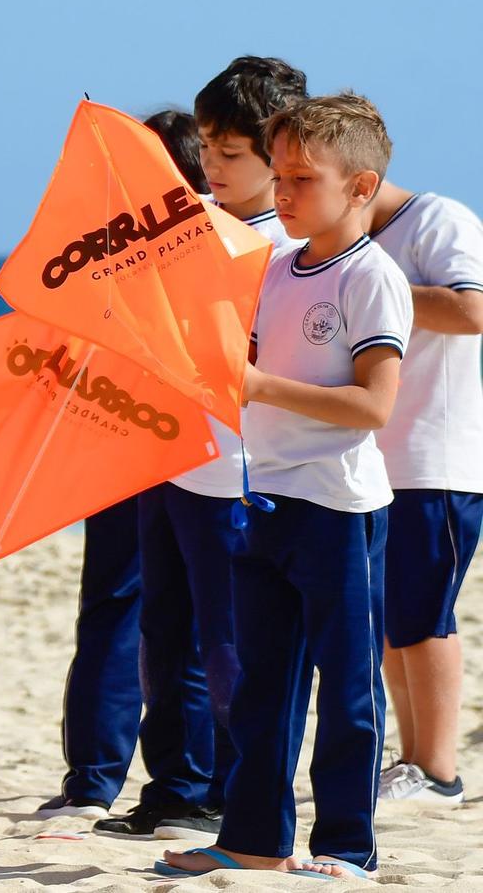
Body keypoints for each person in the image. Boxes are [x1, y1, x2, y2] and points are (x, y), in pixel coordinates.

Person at [161, 93, 410, 880]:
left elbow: (374, 405)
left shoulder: (372, 277)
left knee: (346, 687)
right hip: (263, 495)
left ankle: (345, 846)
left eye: (304, 179)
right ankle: (253, 840)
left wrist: (260, 385)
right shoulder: (271, 266)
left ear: (361, 187)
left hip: (339, 505)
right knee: (263, 684)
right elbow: (241, 370)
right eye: (283, 176)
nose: (285, 194)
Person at [95, 71, 307, 839]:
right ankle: (177, 787)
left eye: (230, 149)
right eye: (207, 145)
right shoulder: (185, 222)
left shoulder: (290, 245)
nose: (210, 162)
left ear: (276, 152)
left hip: (243, 472)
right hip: (169, 455)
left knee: (232, 646)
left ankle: (238, 790)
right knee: (165, 635)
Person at [368, 177, 483, 805]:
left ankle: (439, 770)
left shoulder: (437, 218)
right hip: (378, 461)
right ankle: (413, 761)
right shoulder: (357, 235)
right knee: (392, 622)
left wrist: (370, 289)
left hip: (435, 459)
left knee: (423, 616)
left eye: (303, 177)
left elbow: (472, 311)